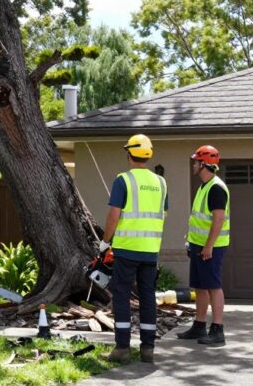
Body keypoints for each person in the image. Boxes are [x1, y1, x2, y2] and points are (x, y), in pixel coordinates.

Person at [99, 134, 168, 364]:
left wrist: (105, 241)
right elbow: (162, 215)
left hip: (127, 249)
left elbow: (114, 215)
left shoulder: (123, 180)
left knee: (121, 295)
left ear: (129, 154)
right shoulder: (161, 183)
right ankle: (147, 349)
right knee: (148, 296)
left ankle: (122, 348)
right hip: (150, 250)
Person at [176, 145, 230, 346]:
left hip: (211, 247)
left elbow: (218, 220)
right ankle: (199, 326)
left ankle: (217, 330)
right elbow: (202, 219)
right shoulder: (204, 186)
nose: (193, 164)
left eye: (195, 161)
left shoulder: (216, 188)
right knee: (200, 286)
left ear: (203, 164)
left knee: (213, 286)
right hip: (199, 245)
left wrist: (208, 246)